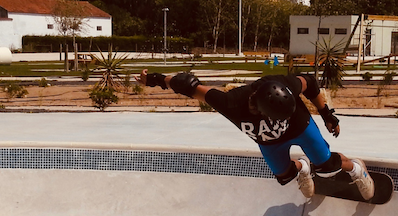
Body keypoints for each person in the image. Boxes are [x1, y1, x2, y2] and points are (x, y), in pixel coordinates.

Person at [138, 69, 375, 200]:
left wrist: (327, 115)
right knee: (284, 176)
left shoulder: (286, 83)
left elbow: (311, 83)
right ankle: (303, 168)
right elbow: (187, 85)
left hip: (300, 127)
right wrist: (156, 79)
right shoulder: (231, 103)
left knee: (326, 165)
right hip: (269, 143)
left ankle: (356, 168)